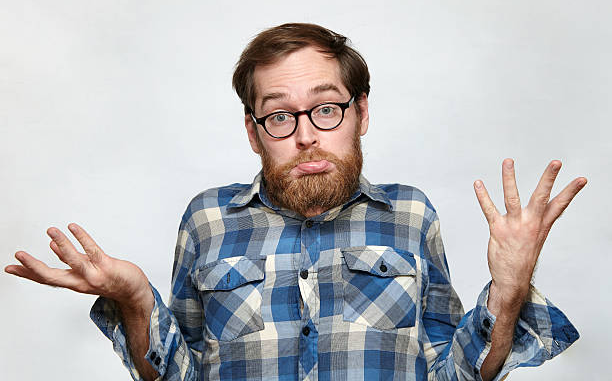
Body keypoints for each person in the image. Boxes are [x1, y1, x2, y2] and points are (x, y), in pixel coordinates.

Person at [5, 23, 587, 381]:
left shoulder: (412, 216)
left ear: (360, 113)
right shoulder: (207, 220)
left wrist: (509, 291)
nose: (306, 135)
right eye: (280, 114)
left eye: (326, 107)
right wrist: (134, 301)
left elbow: (455, 375)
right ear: (255, 131)